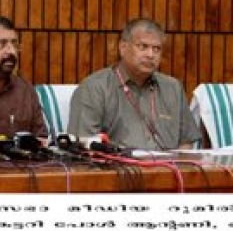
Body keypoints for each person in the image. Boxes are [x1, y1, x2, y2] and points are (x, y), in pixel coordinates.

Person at [67, 18, 200, 150]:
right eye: (143, 47)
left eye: (157, 49)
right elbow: (83, 146)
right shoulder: (95, 88)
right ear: (123, 47)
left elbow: (186, 142)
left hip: (169, 169)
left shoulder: (173, 88)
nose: (150, 55)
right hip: (118, 169)